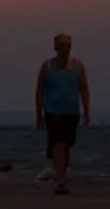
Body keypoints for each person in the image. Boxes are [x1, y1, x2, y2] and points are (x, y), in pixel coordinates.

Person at [36, 33, 90, 195]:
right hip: (53, 111)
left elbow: (84, 88)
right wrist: (38, 114)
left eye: (68, 45)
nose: (66, 48)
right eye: (62, 45)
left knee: (66, 146)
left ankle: (58, 171)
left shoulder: (78, 66)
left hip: (72, 112)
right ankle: (61, 183)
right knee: (60, 145)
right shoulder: (47, 66)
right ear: (56, 48)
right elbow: (40, 91)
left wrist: (87, 109)